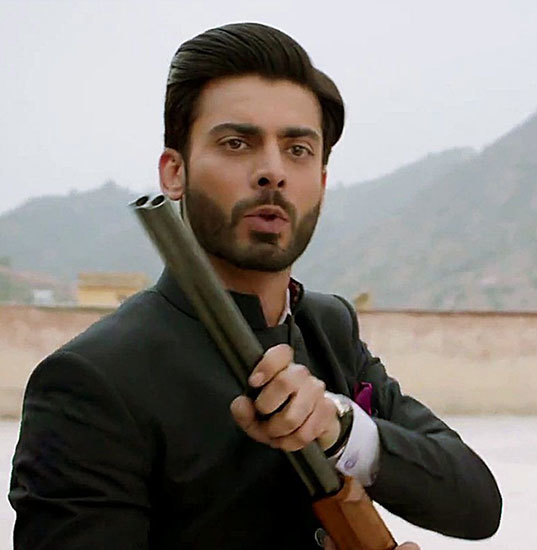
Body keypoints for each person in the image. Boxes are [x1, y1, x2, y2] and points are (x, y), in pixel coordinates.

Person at [10, 22, 501, 549]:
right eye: (236, 143)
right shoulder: (93, 378)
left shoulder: (328, 326)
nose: (272, 172)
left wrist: (340, 428)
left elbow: (476, 504)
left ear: (322, 182)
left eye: (298, 149)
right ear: (174, 172)